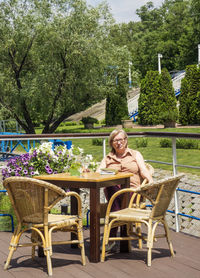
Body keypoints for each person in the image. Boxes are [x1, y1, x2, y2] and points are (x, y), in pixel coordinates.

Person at [97, 129, 153, 251]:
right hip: (114, 191)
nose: (118, 143)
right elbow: (98, 172)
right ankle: (115, 235)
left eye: (121, 139)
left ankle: (109, 238)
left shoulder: (135, 154)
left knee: (117, 197)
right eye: (115, 140)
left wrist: (150, 181)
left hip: (133, 192)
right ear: (111, 143)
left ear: (126, 140)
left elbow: (143, 170)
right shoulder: (108, 158)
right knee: (112, 187)